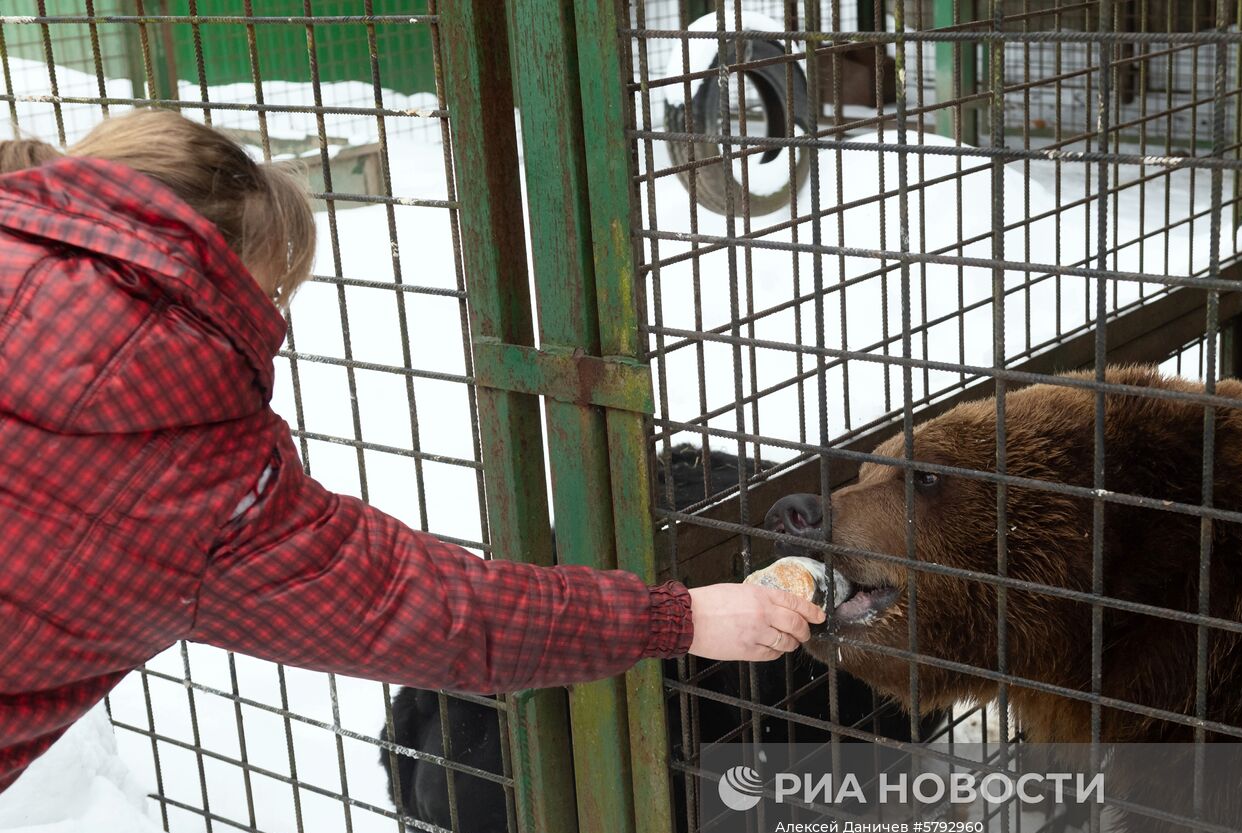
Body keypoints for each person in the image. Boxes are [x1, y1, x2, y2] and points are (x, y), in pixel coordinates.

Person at [0, 111, 823, 793]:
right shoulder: (190, 458)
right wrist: (678, 617)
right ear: (224, 276)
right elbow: (422, 608)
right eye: (276, 293)